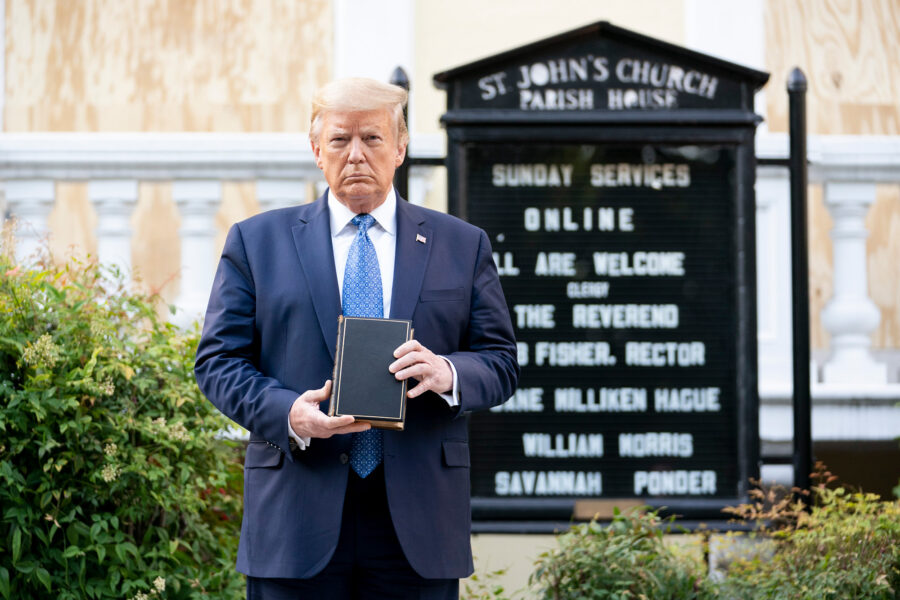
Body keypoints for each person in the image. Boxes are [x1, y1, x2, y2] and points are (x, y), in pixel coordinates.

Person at [195, 77, 519, 599]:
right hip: (296, 514)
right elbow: (217, 361)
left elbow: (501, 361)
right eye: (341, 139)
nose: (356, 155)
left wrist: (450, 373)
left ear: (401, 148)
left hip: (418, 523)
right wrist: (286, 413)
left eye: (372, 138)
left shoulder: (461, 244)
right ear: (316, 148)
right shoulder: (257, 242)